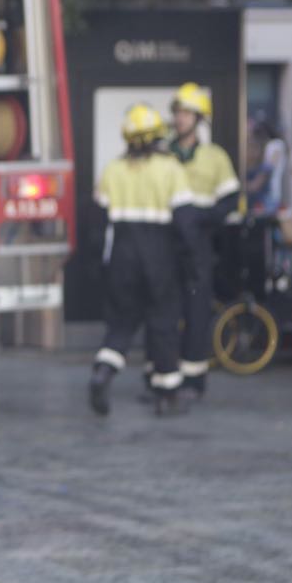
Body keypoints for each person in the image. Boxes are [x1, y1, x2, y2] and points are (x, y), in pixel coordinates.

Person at [89, 104, 197, 417]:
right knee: (163, 324)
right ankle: (167, 396)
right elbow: (186, 223)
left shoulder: (114, 169)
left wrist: (98, 265)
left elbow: (97, 225)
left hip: (122, 258)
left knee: (121, 323)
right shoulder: (170, 168)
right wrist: (191, 263)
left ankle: (104, 372)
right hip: (159, 259)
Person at [167, 83, 239, 397]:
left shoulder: (215, 157)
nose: (180, 118)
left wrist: (203, 218)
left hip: (199, 243)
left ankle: (194, 378)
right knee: (165, 310)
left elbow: (230, 200)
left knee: (197, 310)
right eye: (177, 112)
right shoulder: (163, 156)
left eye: (186, 113)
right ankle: (164, 376)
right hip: (166, 242)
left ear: (199, 119)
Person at [245, 121, 280, 215]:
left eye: (254, 148)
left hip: (263, 209)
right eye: (248, 147)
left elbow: (254, 186)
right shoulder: (244, 169)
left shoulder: (265, 168)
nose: (251, 152)